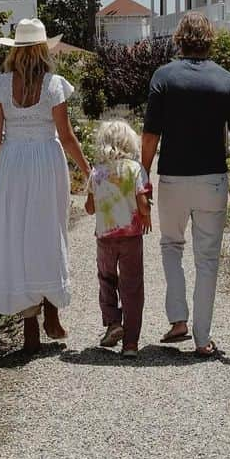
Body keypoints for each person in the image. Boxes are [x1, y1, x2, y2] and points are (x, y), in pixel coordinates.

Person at [0, 18, 91, 352]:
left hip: (13, 164)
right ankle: (51, 314)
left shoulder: (0, 85)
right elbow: (68, 137)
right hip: (46, 161)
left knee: (18, 238)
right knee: (48, 233)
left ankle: (31, 328)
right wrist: (88, 172)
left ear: (15, 50)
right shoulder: (54, 84)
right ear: (44, 49)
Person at [141, 12, 230, 357]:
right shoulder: (227, 81)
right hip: (212, 180)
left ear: (179, 39)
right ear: (210, 40)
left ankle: (178, 321)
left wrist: (143, 175)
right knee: (207, 260)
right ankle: (203, 339)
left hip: (172, 178)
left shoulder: (164, 77)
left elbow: (150, 133)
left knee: (171, 246)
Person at [85, 119, 152, 357]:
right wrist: (146, 215)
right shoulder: (134, 169)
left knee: (106, 279)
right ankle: (131, 343)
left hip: (105, 238)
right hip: (131, 237)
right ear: (130, 142)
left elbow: (90, 208)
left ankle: (113, 322)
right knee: (132, 286)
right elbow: (142, 204)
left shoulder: (96, 172)